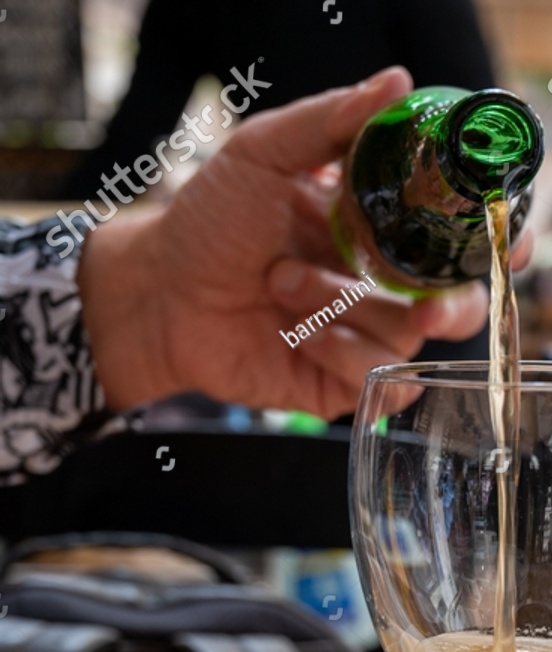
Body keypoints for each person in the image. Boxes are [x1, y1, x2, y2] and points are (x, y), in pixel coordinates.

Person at [0, 69, 489, 488]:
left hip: (376, 326)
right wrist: (150, 298)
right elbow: (137, 128)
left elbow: (138, 123)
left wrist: (148, 300)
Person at [68, 0, 494, 198]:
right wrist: (41, 239)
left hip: (418, 240)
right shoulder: (192, 8)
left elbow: (479, 121)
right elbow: (131, 148)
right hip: (284, 242)